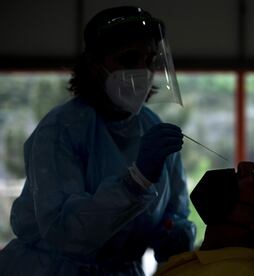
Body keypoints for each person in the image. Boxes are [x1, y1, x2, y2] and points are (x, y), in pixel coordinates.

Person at [0, 6, 195, 276]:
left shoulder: (153, 129)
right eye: (128, 59)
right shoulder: (61, 130)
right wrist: (135, 182)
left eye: (149, 60)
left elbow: (175, 212)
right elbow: (65, 231)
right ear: (95, 66)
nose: (142, 71)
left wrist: (175, 232)